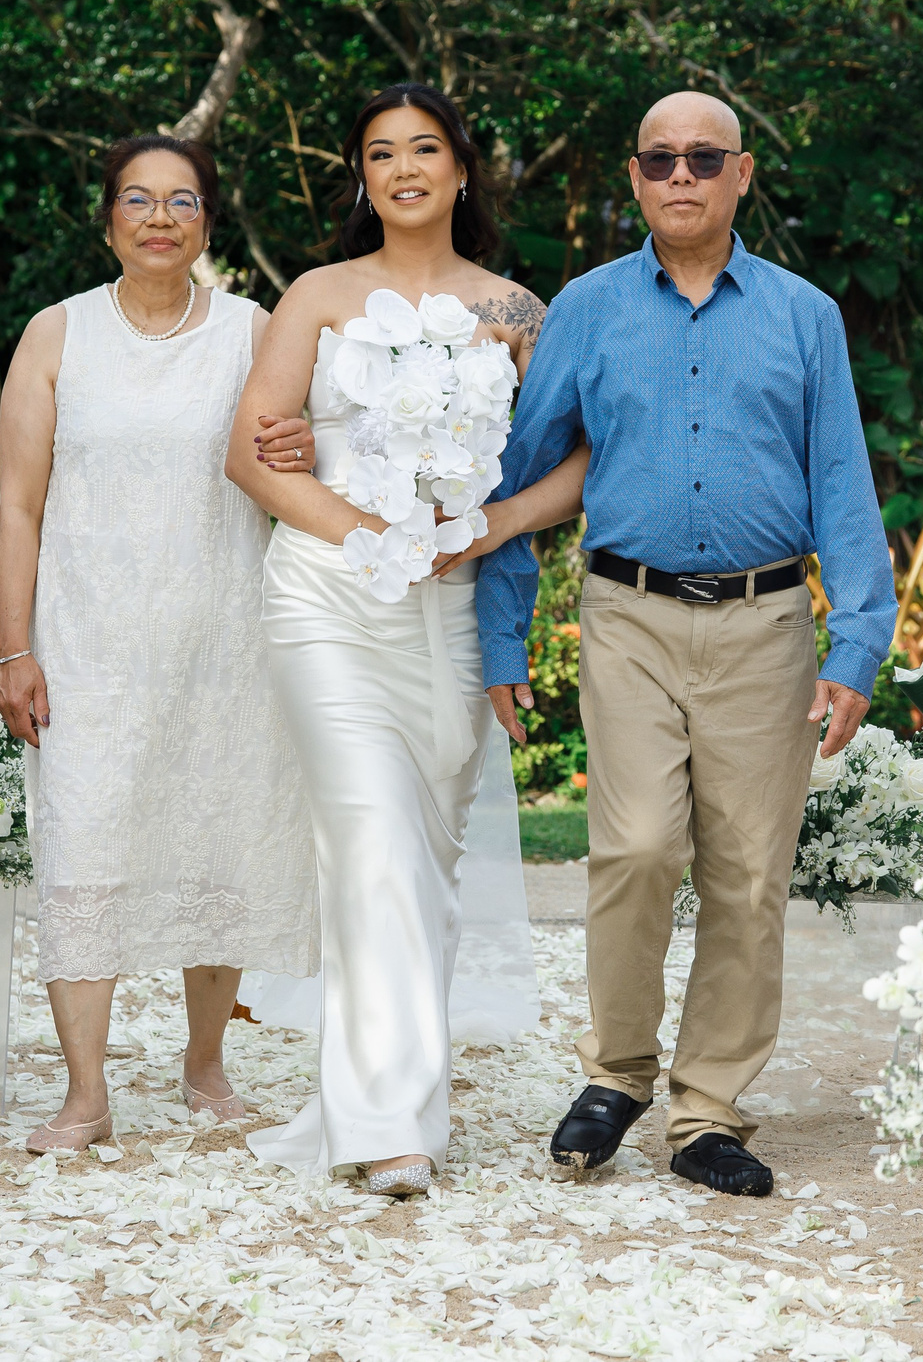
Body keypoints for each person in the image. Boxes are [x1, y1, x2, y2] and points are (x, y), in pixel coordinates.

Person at [478, 90, 895, 1200]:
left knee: (749, 874)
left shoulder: (804, 314)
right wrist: (501, 636)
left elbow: (842, 481)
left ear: (741, 174)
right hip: (629, 616)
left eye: (703, 159)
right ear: (634, 176)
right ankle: (616, 1072)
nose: (680, 176)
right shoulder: (586, 308)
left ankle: (707, 1109)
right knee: (634, 848)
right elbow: (521, 477)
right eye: (659, 159)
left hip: (767, 624)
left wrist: (858, 642)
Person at [224, 83, 580, 1198]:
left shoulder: (518, 310)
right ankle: (390, 1130)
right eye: (382, 153)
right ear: (363, 178)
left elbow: (578, 460)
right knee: (372, 840)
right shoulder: (317, 296)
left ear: (462, 170)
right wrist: (370, 534)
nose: (405, 168)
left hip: (452, 611)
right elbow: (248, 456)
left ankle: (390, 1097)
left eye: (426, 148)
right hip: (327, 601)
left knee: (424, 858)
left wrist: (487, 528)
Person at [0, 135, 321, 1154]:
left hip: (224, 644)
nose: (160, 218)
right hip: (86, 645)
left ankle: (205, 1064)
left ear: (207, 221)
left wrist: (307, 443)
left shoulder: (253, 330)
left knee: (216, 843)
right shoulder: (56, 334)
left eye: (182, 201)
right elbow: (18, 505)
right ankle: (85, 1094)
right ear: (108, 221)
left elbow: (300, 460)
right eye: (138, 199)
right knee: (82, 849)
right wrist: (13, 649)